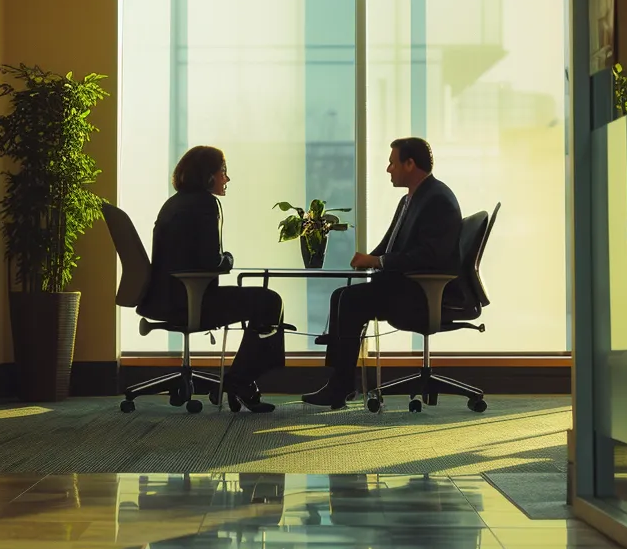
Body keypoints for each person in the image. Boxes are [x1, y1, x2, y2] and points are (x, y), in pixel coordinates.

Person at [303, 137, 465, 409]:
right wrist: (367, 260)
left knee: (348, 301)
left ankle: (340, 385)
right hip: (403, 286)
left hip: (422, 294)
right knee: (341, 296)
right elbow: (391, 243)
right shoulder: (410, 200)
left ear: (410, 164)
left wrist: (378, 261)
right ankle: (338, 381)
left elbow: (429, 256)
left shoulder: (437, 200)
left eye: (392, 163)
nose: (388, 169)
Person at [141, 145, 284, 413]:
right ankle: (240, 381)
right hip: (190, 301)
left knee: (264, 304)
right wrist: (228, 258)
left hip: (165, 298)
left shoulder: (174, 203)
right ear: (209, 175)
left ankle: (241, 381)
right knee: (269, 302)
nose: (227, 179)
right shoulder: (206, 203)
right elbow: (211, 262)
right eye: (224, 172)